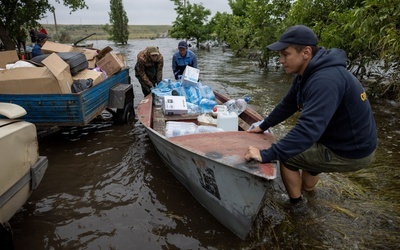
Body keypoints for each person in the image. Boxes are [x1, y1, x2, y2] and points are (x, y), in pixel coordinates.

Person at [245, 25, 377, 206]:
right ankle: (309, 192)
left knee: (288, 156)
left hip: (352, 151)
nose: (281, 60)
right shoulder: (307, 73)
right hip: (340, 139)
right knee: (301, 150)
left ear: (306, 52)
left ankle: (297, 206)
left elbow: (307, 131)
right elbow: (288, 104)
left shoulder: (325, 80)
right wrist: (263, 125)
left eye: (285, 54)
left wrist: (267, 154)